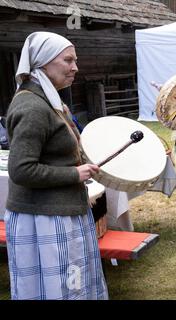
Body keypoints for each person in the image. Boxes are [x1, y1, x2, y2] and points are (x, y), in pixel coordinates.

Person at [5, 32, 108, 300]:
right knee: (59, 290)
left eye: (75, 60)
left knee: (71, 286)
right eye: (68, 60)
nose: (75, 67)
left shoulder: (49, 101)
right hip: (44, 219)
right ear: (43, 63)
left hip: (60, 211)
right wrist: (74, 173)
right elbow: (21, 170)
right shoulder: (32, 107)